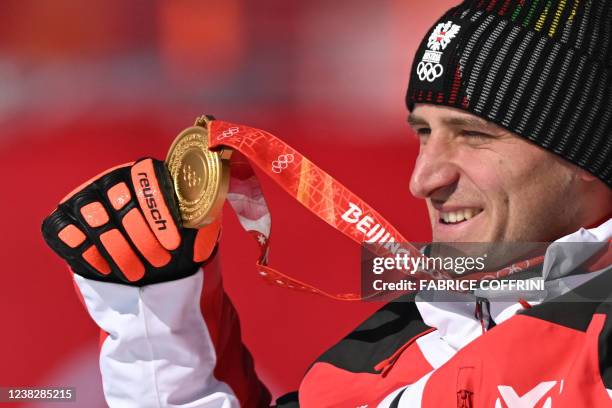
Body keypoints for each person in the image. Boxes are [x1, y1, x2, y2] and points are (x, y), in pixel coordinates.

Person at [42, 0, 612, 406]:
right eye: (423, 132)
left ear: (588, 151)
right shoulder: (371, 357)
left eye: (474, 135)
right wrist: (153, 317)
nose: (424, 178)